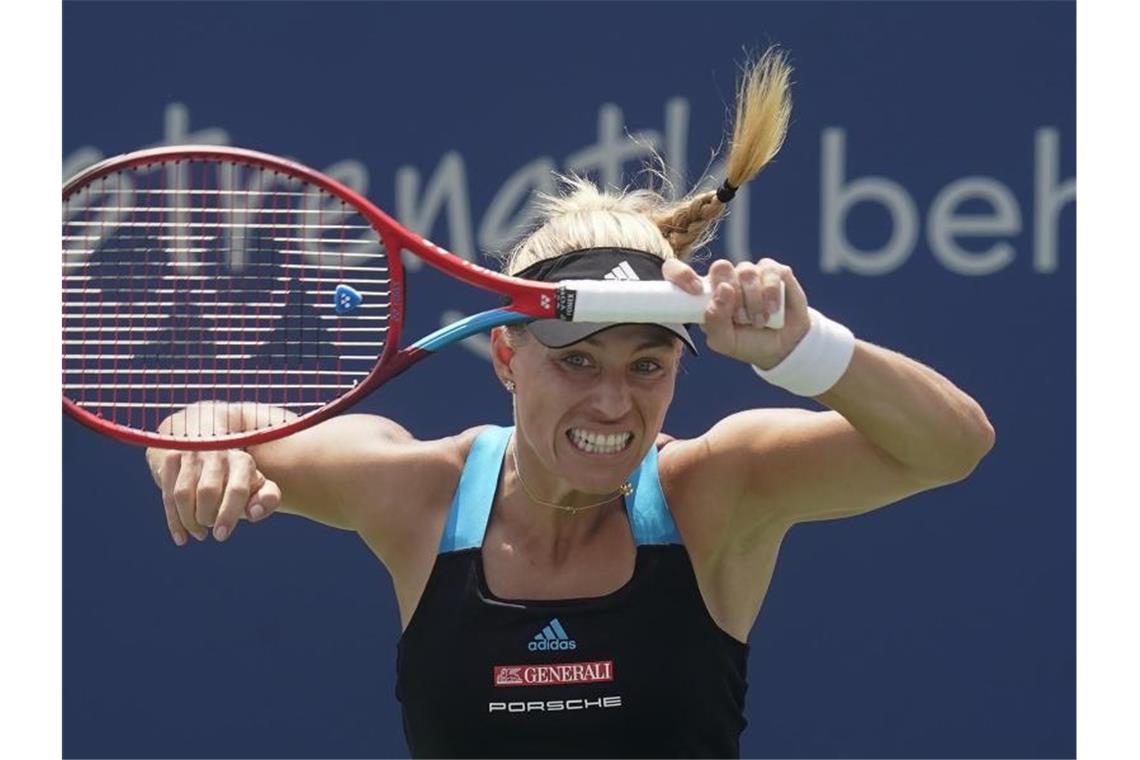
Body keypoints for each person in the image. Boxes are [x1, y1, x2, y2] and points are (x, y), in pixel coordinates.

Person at [146, 49, 994, 758]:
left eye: (648, 365)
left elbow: (952, 447)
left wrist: (809, 352)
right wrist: (192, 447)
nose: (612, 402)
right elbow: (214, 421)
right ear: (508, 355)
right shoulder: (416, 494)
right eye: (578, 360)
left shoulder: (718, 492)